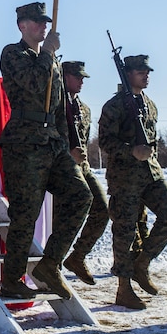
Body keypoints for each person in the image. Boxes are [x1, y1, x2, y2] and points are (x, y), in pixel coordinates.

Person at [0, 3, 93, 302]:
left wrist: (65, 144)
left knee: (81, 195)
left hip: (52, 142)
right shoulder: (13, 54)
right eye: (37, 22)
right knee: (26, 214)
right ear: (22, 26)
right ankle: (12, 279)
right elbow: (33, 84)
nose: (43, 27)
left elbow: (58, 106)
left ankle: (50, 263)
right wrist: (49, 54)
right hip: (24, 143)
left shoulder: (50, 60)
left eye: (45, 22)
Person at [98, 54, 167, 311]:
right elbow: (105, 142)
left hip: (151, 173)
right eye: (141, 71)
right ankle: (124, 288)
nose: (146, 75)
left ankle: (141, 264)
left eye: (147, 71)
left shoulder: (150, 104)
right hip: (125, 178)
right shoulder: (114, 106)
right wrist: (129, 151)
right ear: (128, 73)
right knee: (125, 231)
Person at [59, 61, 110, 285]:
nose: (81, 82)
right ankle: (54, 264)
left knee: (102, 208)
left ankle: (78, 256)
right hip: (60, 168)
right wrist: (66, 154)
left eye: (83, 78)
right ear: (64, 76)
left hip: (83, 167)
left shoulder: (84, 109)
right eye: (77, 77)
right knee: (58, 219)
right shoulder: (55, 104)